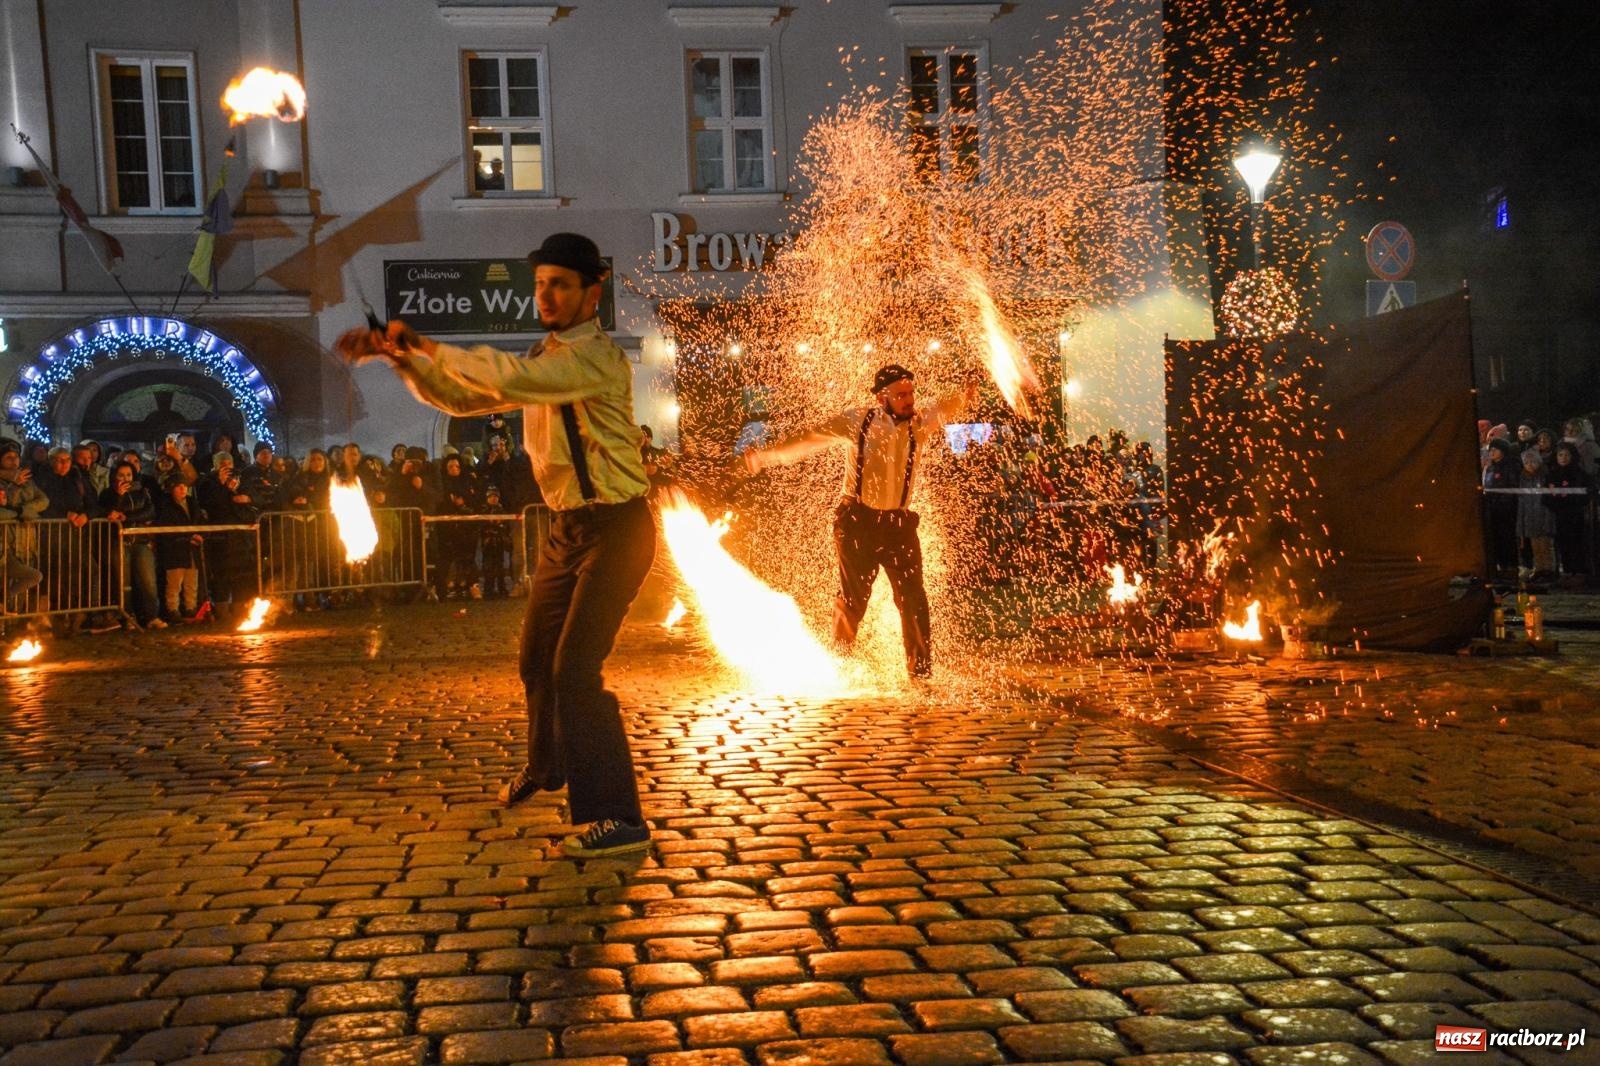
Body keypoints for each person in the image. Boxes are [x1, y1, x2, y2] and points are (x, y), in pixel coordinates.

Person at [338, 231, 655, 859]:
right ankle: (548, 767)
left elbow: (506, 373)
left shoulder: (594, 359)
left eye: (560, 284)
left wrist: (424, 342)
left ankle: (619, 817)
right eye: (540, 284)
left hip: (617, 528)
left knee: (575, 672)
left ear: (594, 292)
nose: (546, 295)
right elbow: (461, 398)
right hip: (567, 530)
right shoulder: (547, 357)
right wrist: (400, 360)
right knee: (537, 660)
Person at [742, 364, 976, 679]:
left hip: (898, 525)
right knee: (853, 600)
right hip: (857, 521)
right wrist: (765, 456)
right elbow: (810, 439)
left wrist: (967, 393)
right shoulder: (858, 421)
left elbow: (949, 405)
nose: (909, 400)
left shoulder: (919, 422)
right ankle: (838, 665)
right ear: (883, 398)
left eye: (911, 393)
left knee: (914, 599)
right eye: (901, 395)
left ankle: (920, 675)